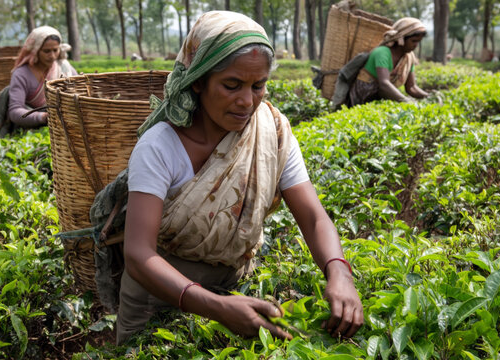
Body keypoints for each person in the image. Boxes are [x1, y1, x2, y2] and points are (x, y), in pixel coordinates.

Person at [114, 11, 363, 344]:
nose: (247, 101)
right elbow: (139, 255)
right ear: (198, 79)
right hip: (156, 302)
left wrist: (339, 271)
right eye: (232, 85)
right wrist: (217, 307)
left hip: (238, 294)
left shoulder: (271, 132)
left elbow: (314, 217)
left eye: (258, 86)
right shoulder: (160, 145)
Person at [336, 17, 429, 108]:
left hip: (382, 99)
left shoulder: (409, 57)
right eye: (413, 41)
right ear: (401, 39)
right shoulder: (382, 52)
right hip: (362, 100)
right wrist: (406, 101)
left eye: (418, 41)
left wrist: (429, 97)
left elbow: (411, 87)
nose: (416, 45)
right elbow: (384, 84)